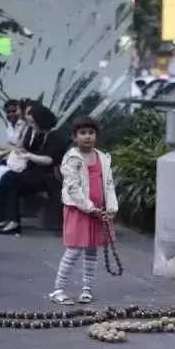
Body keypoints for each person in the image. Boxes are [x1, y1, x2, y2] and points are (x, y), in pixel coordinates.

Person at [49, 116, 117, 305]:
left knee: (92, 250)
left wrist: (111, 208)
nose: (87, 136)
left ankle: (87, 288)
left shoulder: (103, 158)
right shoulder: (72, 158)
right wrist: (90, 208)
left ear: (96, 136)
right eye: (82, 133)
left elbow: (109, 184)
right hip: (79, 211)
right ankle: (58, 290)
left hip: (99, 212)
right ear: (74, 137)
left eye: (91, 133)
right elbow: (73, 188)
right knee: (73, 251)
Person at [0, 103, 67, 235]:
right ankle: (10, 220)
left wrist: (29, 156)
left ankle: (1, 210)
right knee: (10, 182)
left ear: (41, 121)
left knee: (9, 179)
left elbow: (49, 160)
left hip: (48, 177)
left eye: (33, 123)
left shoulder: (55, 137)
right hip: (33, 173)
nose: (32, 126)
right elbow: (23, 148)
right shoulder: (37, 133)